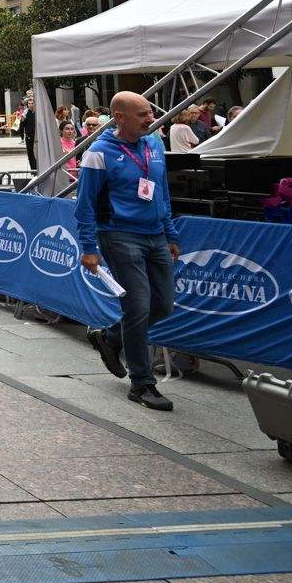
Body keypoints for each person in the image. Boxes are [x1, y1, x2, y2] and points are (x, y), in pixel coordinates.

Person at [78, 91, 179, 412]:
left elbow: (161, 192)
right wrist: (88, 247)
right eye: (142, 115)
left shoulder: (155, 145)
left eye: (150, 113)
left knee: (162, 306)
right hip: (119, 236)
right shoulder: (98, 153)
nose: (150, 119)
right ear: (119, 117)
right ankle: (142, 383)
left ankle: (110, 338)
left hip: (156, 236)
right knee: (137, 307)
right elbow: (84, 206)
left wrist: (170, 233)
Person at [18, 97, 38, 169]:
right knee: (30, 152)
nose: (31, 105)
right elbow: (22, 124)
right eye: (29, 103)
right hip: (29, 135)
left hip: (37, 136)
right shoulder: (25, 113)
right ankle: (33, 169)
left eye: (32, 103)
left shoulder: (37, 113)